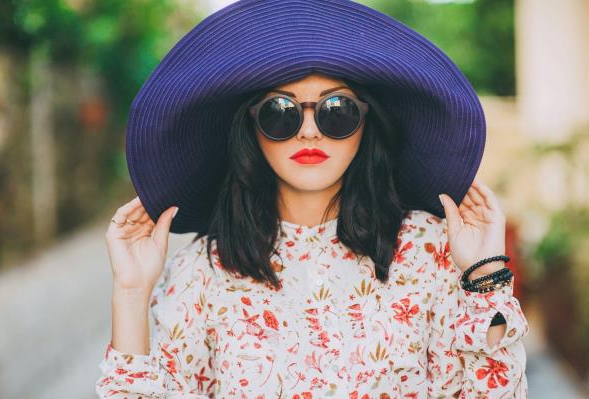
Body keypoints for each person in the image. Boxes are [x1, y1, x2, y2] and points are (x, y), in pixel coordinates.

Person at [95, 1, 529, 398]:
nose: (308, 131)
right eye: (279, 112)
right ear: (250, 126)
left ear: (365, 120)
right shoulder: (201, 272)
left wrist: (484, 273)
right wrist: (131, 292)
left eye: (335, 110)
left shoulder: (432, 252)